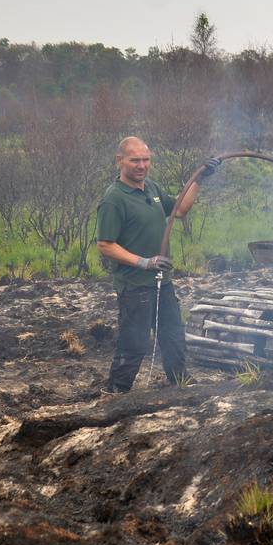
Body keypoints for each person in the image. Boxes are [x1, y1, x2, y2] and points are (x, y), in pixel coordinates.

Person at [95, 136, 206, 392]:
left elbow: (180, 209)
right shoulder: (114, 199)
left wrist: (199, 179)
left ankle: (180, 384)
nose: (141, 165)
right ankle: (116, 391)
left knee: (173, 335)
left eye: (145, 160)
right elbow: (105, 244)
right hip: (135, 285)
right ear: (120, 161)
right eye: (135, 160)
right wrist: (144, 262)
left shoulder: (152, 189)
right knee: (134, 342)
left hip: (161, 282)